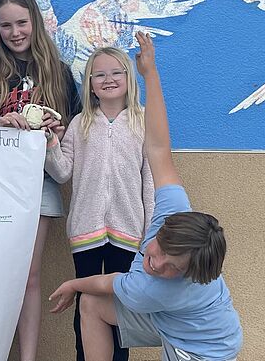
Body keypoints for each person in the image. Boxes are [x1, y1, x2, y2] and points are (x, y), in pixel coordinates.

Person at [49, 32, 243, 361]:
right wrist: (151, 72)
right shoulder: (172, 212)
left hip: (202, 350)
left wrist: (76, 285)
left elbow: (121, 284)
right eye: (161, 249)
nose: (156, 263)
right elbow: (159, 150)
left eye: (172, 267)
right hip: (90, 235)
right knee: (94, 303)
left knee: (114, 302)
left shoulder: (146, 286)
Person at [0, 0, 80, 361]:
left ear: (35, 22)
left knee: (28, 277)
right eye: (6, 26)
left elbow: (76, 132)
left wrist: (59, 133)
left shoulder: (59, 73)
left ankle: (28, 357)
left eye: (21, 23)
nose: (15, 32)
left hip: (40, 183)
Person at [44, 45, 154, 361]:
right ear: (89, 82)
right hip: (86, 233)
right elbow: (62, 171)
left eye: (116, 72)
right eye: (99, 74)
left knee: (122, 308)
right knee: (87, 307)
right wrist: (50, 141)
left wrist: (149, 236)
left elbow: (150, 182)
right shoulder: (81, 123)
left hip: (129, 233)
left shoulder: (142, 121)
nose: (108, 79)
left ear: (129, 78)